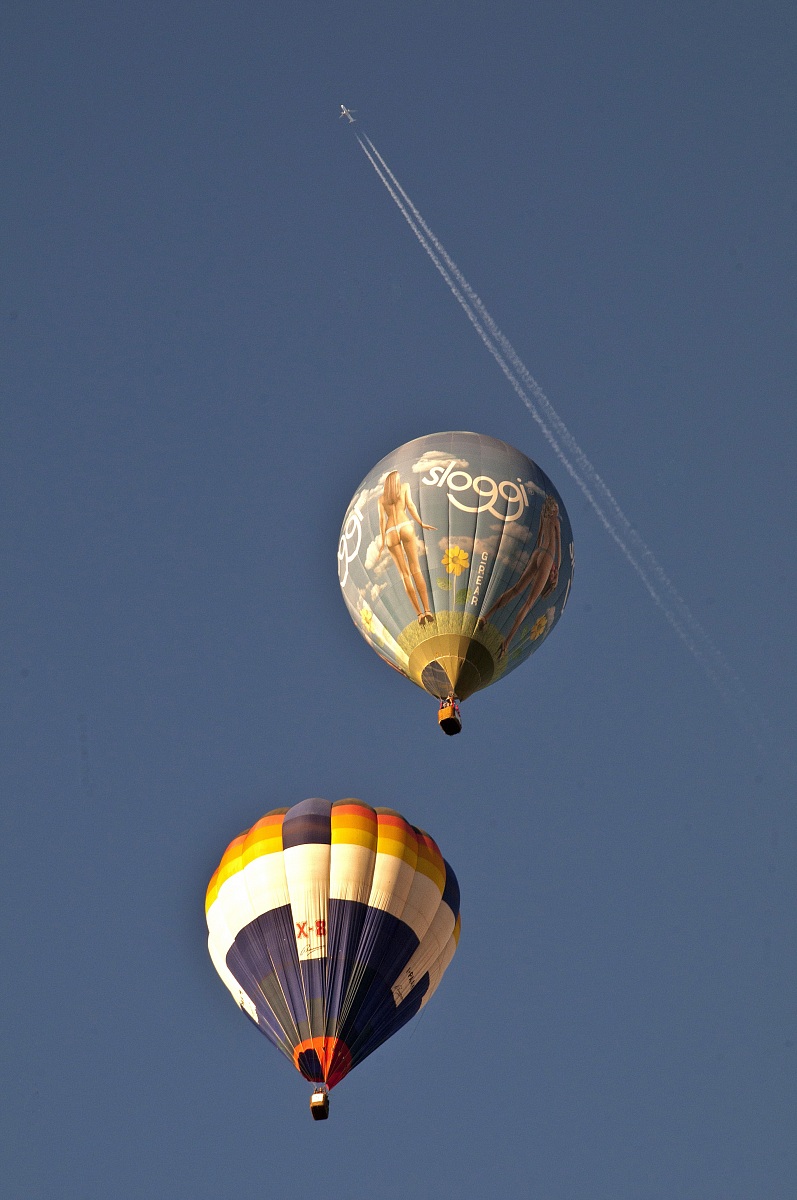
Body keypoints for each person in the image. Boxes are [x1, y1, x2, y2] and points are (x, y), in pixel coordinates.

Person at [477, 496, 561, 656]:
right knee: (529, 602)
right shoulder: (555, 521)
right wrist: (554, 570)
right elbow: (559, 549)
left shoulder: (543, 517)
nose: (556, 510)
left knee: (516, 589)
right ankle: (507, 642)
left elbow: (538, 538)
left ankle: (486, 616)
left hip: (538, 552)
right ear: (554, 508)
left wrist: (535, 560)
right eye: (555, 508)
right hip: (548, 556)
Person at [378, 471, 436, 624]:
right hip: (405, 525)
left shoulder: (381, 499)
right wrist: (421, 522)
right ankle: (427, 610)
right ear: (397, 480)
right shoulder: (404, 487)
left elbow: (381, 521)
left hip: (390, 531)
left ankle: (419, 614)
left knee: (404, 575)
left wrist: (382, 542)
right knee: (415, 568)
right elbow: (410, 505)